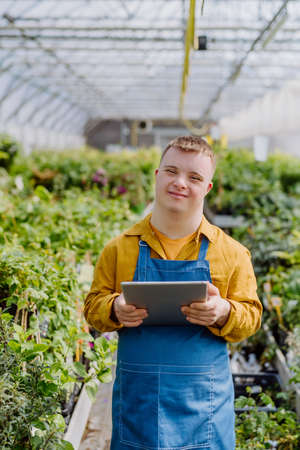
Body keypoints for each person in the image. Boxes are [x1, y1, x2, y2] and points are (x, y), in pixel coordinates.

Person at [84, 136, 262, 450]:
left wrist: (223, 311)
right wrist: (114, 308)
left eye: (194, 177)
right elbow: (93, 306)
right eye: (171, 171)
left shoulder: (232, 254)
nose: (180, 183)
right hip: (139, 403)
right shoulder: (118, 249)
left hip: (203, 405)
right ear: (157, 176)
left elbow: (251, 316)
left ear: (207, 188)